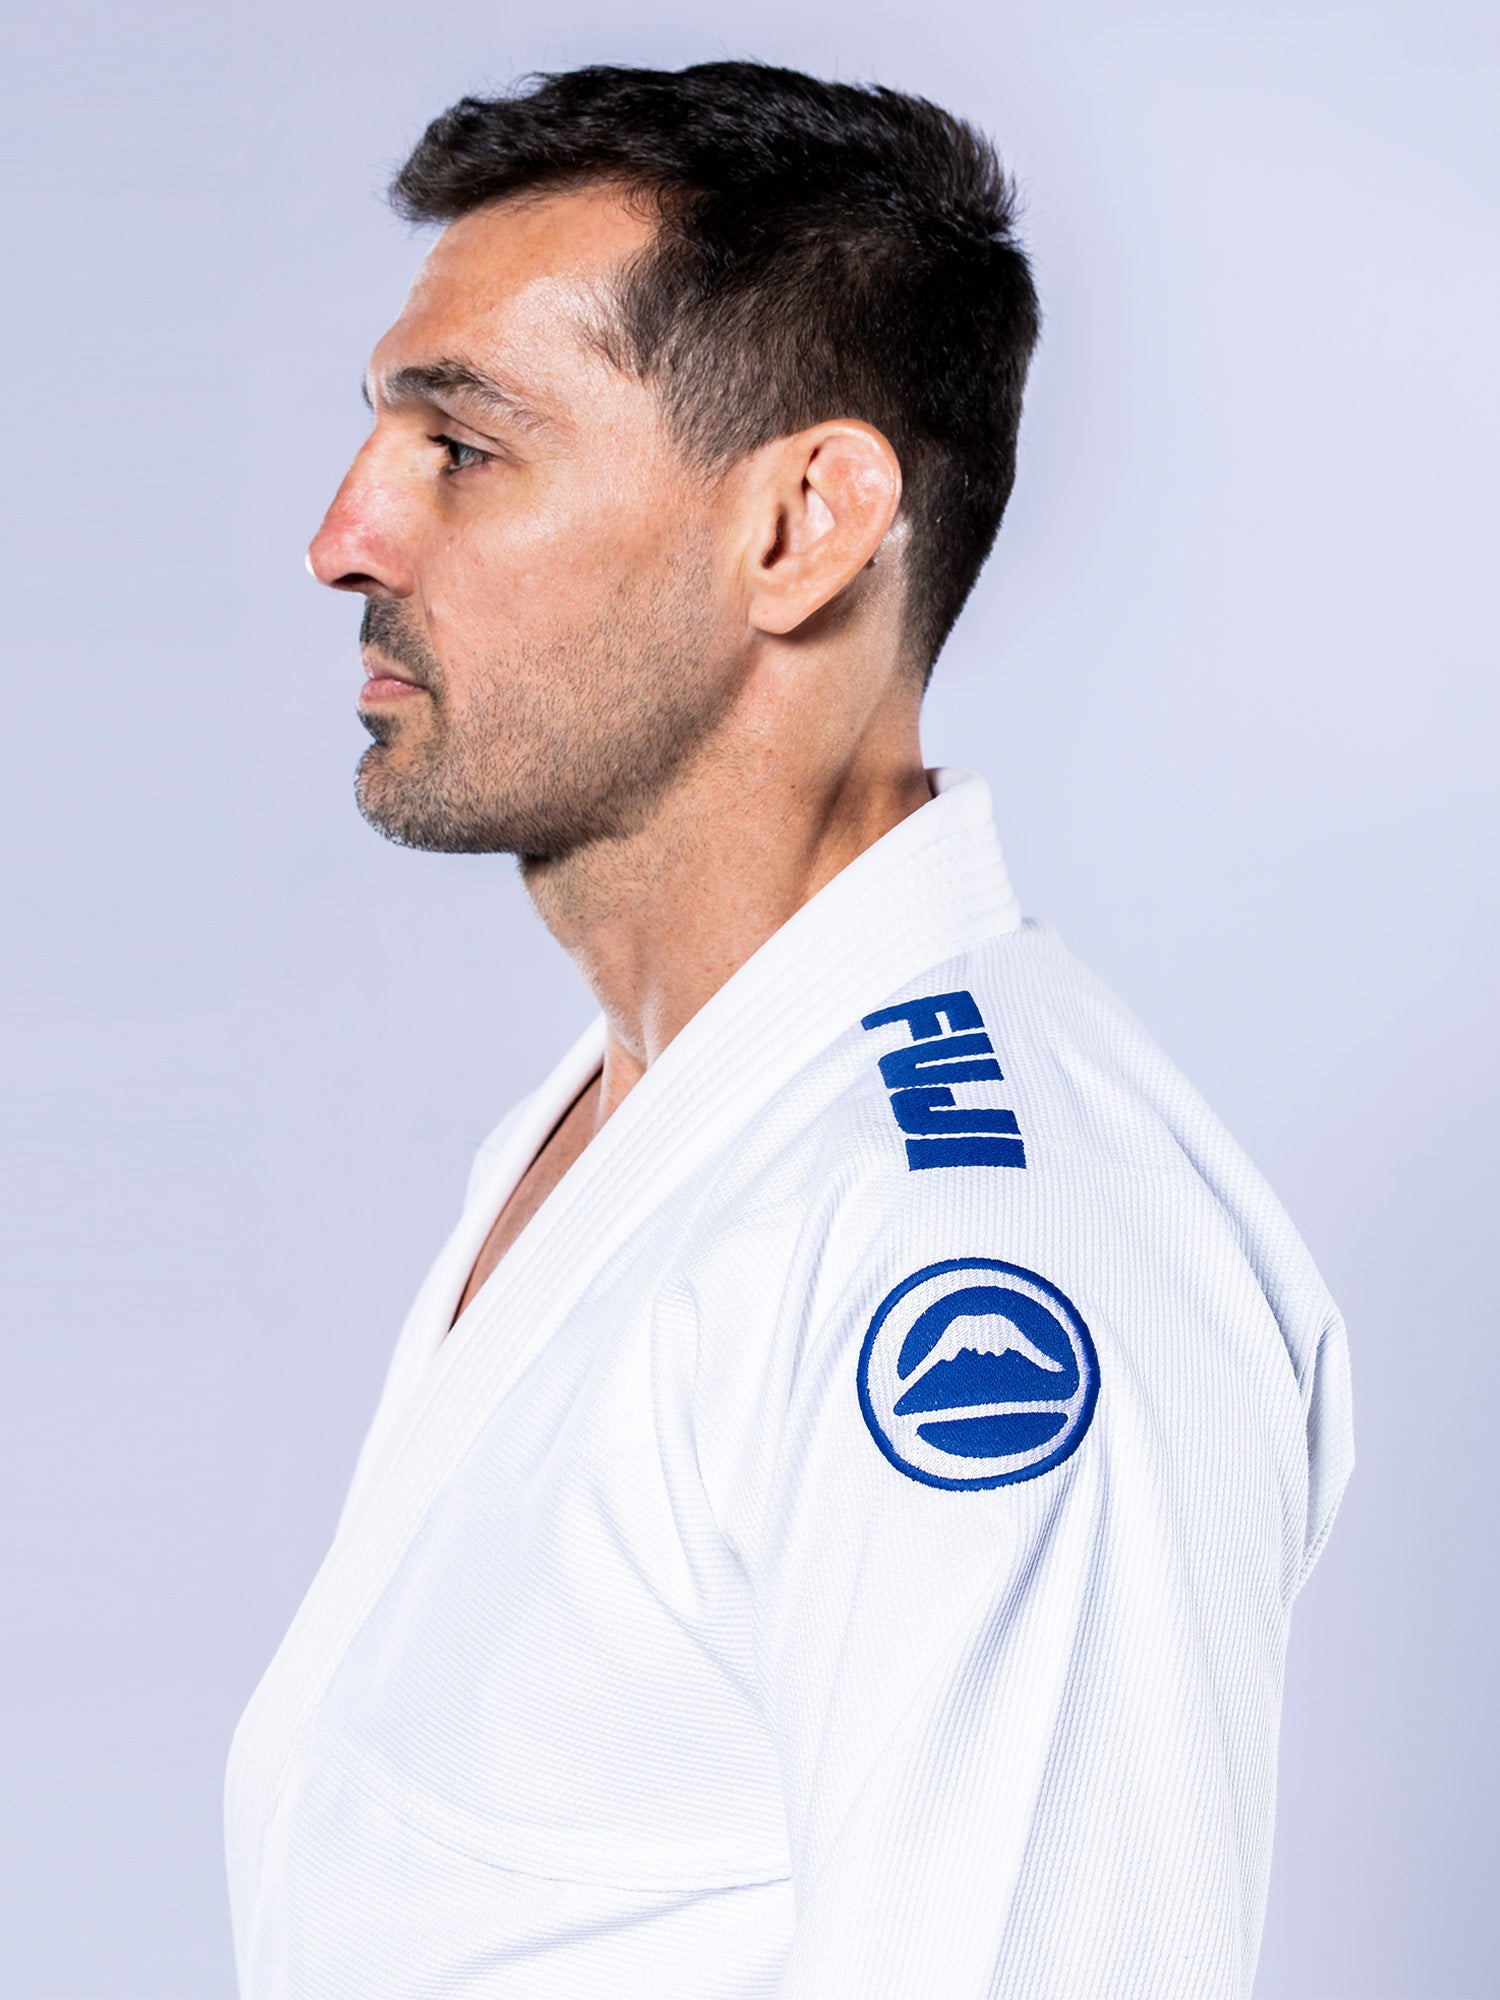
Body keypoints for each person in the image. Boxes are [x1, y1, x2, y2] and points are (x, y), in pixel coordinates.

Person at [226, 61, 1353, 2000]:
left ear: (801, 526)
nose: (343, 538)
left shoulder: (961, 1246)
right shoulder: (630, 1119)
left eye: (463, 447)